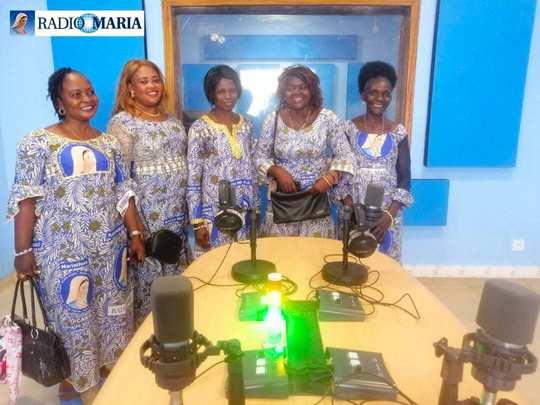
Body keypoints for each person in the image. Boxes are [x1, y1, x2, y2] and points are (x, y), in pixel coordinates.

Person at [7, 67, 145, 404]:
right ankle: (85, 388)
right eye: (76, 94)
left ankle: (112, 375)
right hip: (61, 252)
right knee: (74, 321)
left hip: (110, 249)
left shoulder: (109, 143)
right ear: (60, 102)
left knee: (114, 314)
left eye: (90, 91)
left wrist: (135, 233)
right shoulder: (37, 143)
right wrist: (22, 252)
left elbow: (123, 191)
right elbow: (26, 199)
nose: (87, 99)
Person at [108, 59, 190, 327]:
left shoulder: (173, 121)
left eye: (155, 80)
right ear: (130, 88)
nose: (152, 86)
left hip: (177, 216)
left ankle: (177, 332)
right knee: (150, 286)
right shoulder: (122, 123)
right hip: (146, 218)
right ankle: (149, 338)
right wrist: (135, 230)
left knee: (176, 281)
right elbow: (121, 180)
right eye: (143, 81)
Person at [255, 65, 355, 238]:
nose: (297, 92)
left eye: (303, 87)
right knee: (280, 253)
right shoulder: (273, 120)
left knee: (315, 252)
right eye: (290, 88)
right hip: (283, 205)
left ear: (312, 90)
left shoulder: (328, 119)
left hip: (316, 202)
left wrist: (329, 178)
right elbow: (259, 158)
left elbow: (346, 155)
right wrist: (277, 171)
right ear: (283, 91)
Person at [337, 61, 413, 262]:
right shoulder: (347, 129)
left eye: (386, 93)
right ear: (363, 94)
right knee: (352, 264)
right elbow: (340, 175)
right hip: (353, 214)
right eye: (373, 92)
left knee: (384, 266)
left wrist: (389, 216)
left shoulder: (398, 133)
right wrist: (354, 212)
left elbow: (405, 178)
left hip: (387, 217)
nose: (379, 98)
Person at [187, 65, 258, 256]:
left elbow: (253, 171)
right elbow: (193, 179)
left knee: (242, 261)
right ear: (212, 94)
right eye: (221, 91)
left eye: (232, 90)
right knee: (215, 264)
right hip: (213, 212)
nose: (228, 96)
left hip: (244, 210)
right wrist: (198, 223)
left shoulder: (247, 125)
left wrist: (255, 210)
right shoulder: (199, 128)